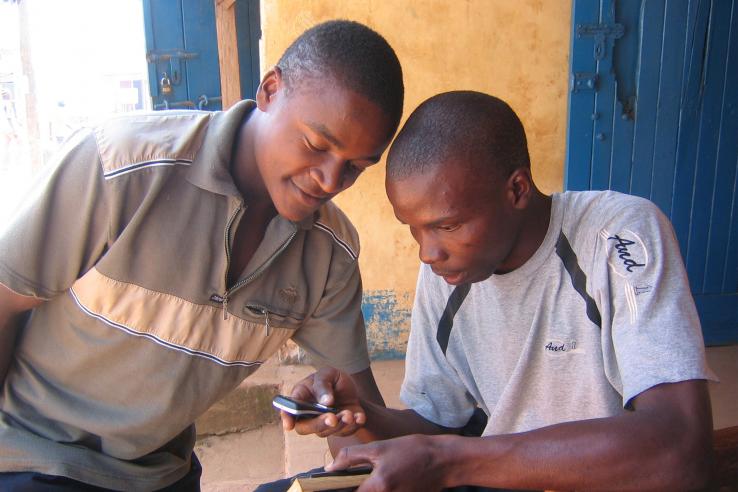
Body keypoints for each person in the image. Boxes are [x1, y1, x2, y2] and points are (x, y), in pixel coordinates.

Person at [0, 20, 403, 491]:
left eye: (356, 166)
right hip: (35, 458)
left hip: (163, 474)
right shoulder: (120, 169)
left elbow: (357, 414)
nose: (331, 181)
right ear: (270, 90)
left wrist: (344, 422)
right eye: (316, 145)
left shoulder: (328, 255)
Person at [281, 91, 716, 491]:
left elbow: (680, 447)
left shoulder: (617, 235)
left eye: (447, 225)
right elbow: (442, 426)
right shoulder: (446, 272)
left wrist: (449, 461)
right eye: (413, 229)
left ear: (517, 189)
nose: (427, 252)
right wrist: (362, 416)